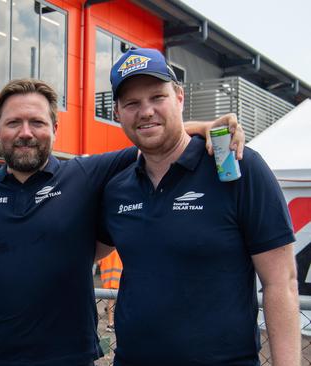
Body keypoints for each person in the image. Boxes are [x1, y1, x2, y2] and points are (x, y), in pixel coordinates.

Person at [0, 78, 244, 366]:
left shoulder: (84, 175)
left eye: (38, 122)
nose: (26, 132)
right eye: (14, 122)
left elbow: (153, 140)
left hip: (69, 359)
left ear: (55, 129)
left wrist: (204, 127)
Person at [99, 47, 299, 365]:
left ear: (179, 97)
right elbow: (82, 254)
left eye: (157, 97)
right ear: (117, 113)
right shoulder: (115, 187)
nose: (146, 111)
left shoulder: (237, 167)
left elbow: (281, 283)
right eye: (132, 103)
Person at [98, 250, 122, 332]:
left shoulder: (106, 250)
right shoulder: (118, 248)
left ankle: (110, 321)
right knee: (112, 302)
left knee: (111, 302)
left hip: (107, 279)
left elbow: (98, 262)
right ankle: (110, 323)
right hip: (117, 279)